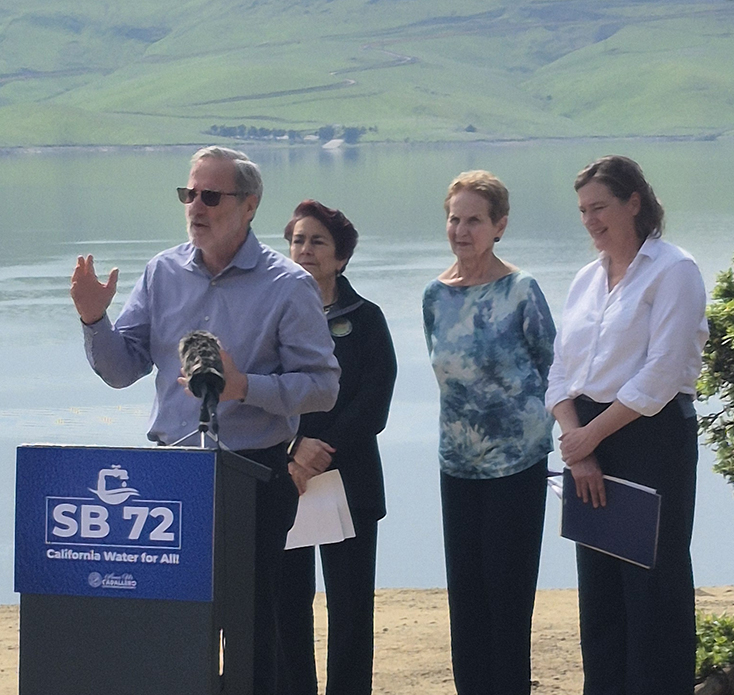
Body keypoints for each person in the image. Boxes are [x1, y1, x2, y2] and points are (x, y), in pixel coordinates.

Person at [69, 146, 340, 695]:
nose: (195, 205)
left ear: (249, 205)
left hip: (254, 479)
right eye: (187, 193)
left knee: (252, 631)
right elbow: (121, 370)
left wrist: (245, 387)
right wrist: (94, 319)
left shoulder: (288, 286)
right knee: (172, 626)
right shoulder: (161, 272)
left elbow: (323, 387)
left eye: (210, 196)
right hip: (170, 482)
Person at [546, 155, 708, 695]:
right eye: (583, 211)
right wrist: (578, 445)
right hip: (588, 440)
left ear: (633, 203)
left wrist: (590, 437)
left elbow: (660, 375)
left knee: (652, 592)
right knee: (599, 593)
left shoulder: (674, 270)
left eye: (600, 207)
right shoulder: (585, 279)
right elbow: (561, 372)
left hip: (648, 437)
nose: (590, 220)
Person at [422, 170, 556, 695]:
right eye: (454, 218)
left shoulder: (522, 290)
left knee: (507, 598)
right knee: (467, 600)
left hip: (517, 466)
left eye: (474, 220)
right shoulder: (435, 295)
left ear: (499, 225)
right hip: (456, 465)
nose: (461, 230)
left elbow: (555, 372)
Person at [278, 200, 397, 695]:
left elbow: (374, 405)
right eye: (298, 240)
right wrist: (291, 450)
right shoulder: (272, 313)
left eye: (317, 242)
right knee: (287, 605)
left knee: (350, 609)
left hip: (347, 480)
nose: (305, 250)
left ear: (341, 257)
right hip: (284, 479)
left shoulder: (367, 319)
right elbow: (257, 391)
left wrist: (318, 449)